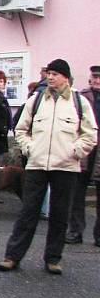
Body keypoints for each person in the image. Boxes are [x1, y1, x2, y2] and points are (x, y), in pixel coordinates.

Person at [0, 59, 97, 275]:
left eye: (55, 74)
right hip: (37, 165)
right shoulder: (36, 100)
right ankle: (12, 256)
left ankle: (53, 258)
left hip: (66, 168)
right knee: (28, 212)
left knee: (60, 215)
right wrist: (30, 148)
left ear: (66, 77)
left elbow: (90, 135)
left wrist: (75, 152)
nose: (50, 77)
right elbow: (21, 129)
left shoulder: (79, 102)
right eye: (49, 73)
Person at [66, 66, 100, 246]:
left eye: (99, 77)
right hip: (85, 148)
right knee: (77, 193)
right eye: (94, 77)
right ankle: (75, 231)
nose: (96, 80)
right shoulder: (81, 97)